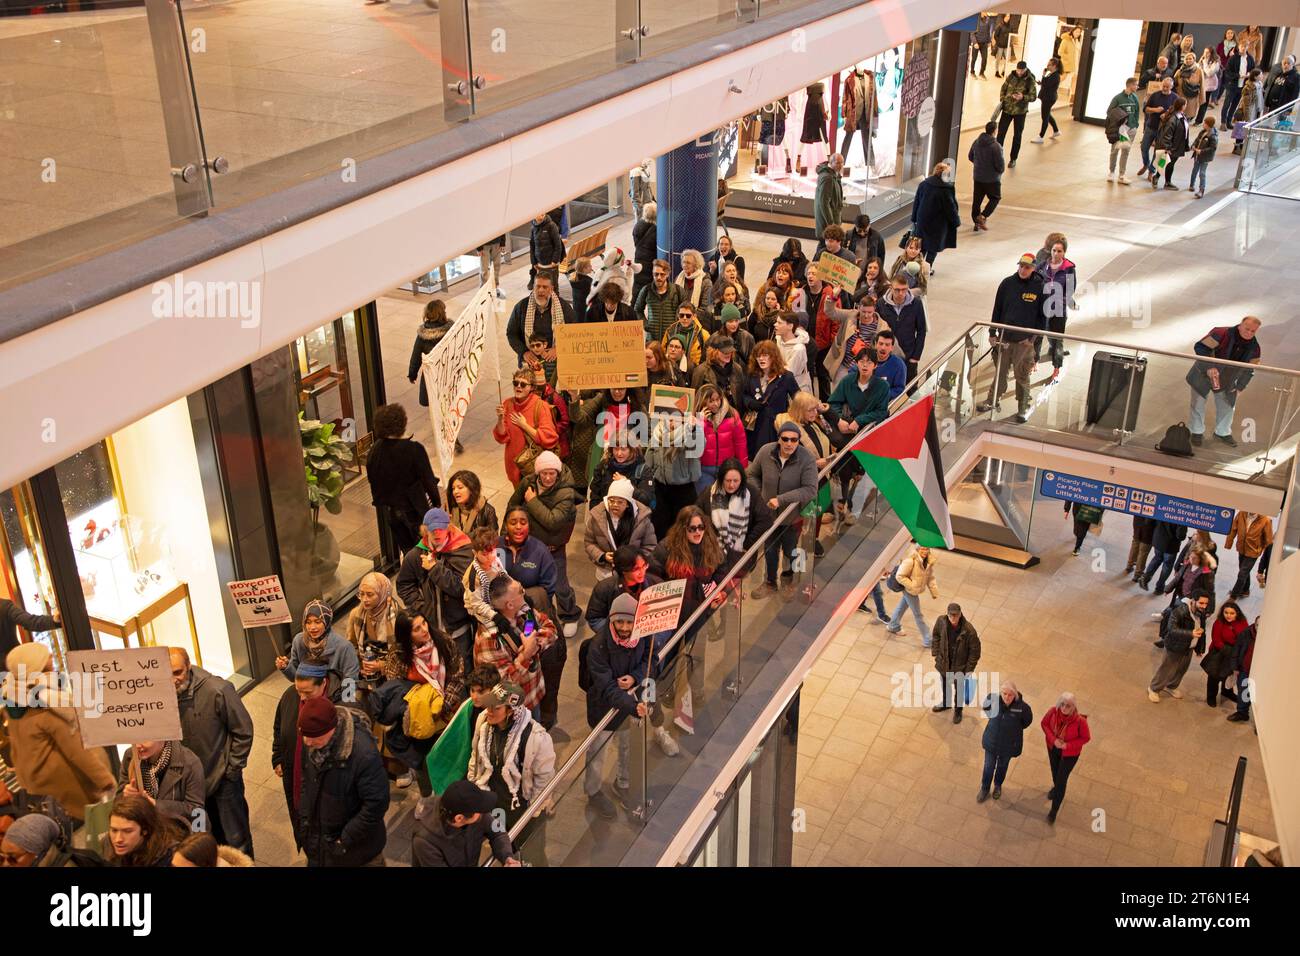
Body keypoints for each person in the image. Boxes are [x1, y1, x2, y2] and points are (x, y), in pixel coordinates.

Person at [1, 643, 114, 820]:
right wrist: (105, 780)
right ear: (36, 665)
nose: (52, 658)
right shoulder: (48, 703)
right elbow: (76, 749)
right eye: (47, 657)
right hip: (66, 783)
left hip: (35, 781)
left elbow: (17, 746)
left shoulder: (14, 696)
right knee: (91, 826)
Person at [582, 593, 669, 818]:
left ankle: (623, 783)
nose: (624, 627)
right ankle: (593, 792)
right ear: (611, 620)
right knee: (597, 750)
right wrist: (633, 705)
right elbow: (606, 687)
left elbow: (652, 662)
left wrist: (635, 677)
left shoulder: (645, 636)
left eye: (629, 622)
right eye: (619, 621)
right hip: (604, 707)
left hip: (631, 702)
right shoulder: (598, 646)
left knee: (627, 744)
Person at [366, 609, 465, 799]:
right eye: (416, 629)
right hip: (416, 720)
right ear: (406, 635)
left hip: (447, 714)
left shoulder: (443, 642)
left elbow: (457, 676)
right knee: (423, 763)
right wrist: (421, 706)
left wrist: (442, 706)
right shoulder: (398, 654)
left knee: (451, 758)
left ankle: (452, 798)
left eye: (424, 623)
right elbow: (396, 689)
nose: (424, 630)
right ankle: (427, 798)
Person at [169, 646, 254, 857]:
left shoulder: (218, 690)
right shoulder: (163, 699)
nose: (173, 680)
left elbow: (243, 731)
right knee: (204, 841)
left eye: (177, 672)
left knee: (236, 840)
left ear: (188, 666)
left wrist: (231, 770)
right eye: (166, 674)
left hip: (223, 781)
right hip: (191, 789)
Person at [466, 680, 556, 862]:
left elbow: (544, 778)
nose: (489, 710)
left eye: (496, 708)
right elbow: (476, 757)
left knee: (532, 852)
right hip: (496, 805)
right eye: (489, 704)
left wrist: (535, 811)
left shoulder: (536, 738)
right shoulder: (483, 722)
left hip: (523, 809)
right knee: (504, 848)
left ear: (511, 711)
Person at [294, 695, 389, 866]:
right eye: (304, 736)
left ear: (331, 729)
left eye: (312, 736)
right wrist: (304, 819)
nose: (307, 742)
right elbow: (306, 782)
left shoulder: (363, 755)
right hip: (320, 842)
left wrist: (344, 839)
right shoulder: (315, 744)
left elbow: (376, 804)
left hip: (356, 851)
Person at [505, 451, 583, 636]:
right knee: (530, 590)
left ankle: (570, 615)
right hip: (529, 546)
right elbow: (512, 507)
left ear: (558, 472)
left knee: (560, 585)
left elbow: (553, 521)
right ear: (538, 472)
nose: (548, 477)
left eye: (552, 473)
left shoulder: (566, 493)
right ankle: (531, 622)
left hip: (552, 549)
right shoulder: (528, 483)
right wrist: (506, 536)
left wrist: (532, 501)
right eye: (544, 473)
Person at [395, 507, 475, 665]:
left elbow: (461, 588)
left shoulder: (463, 550)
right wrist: (421, 607)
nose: (437, 533)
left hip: (459, 628)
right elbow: (404, 584)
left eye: (441, 529)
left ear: (449, 527)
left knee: (462, 668)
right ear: (425, 530)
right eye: (433, 530)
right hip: (430, 630)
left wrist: (434, 568)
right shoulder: (416, 555)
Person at [748, 421, 817, 597]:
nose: (789, 443)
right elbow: (752, 475)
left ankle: (791, 581)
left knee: (792, 551)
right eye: (785, 439)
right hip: (769, 515)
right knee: (770, 550)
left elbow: (810, 489)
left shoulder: (806, 458)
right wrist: (760, 495)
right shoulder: (766, 452)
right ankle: (770, 582)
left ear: (798, 441)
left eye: (794, 440)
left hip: (794, 517)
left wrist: (781, 500)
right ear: (779, 439)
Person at [976, 253, 1047, 423]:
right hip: (1005, 339)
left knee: (1022, 375)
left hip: (1024, 342)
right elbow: (997, 310)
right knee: (1000, 371)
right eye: (1021, 266)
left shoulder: (1041, 287)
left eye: (1027, 267)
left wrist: (1033, 339)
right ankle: (992, 400)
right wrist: (993, 333)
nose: (1023, 270)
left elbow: (1042, 317)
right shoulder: (1007, 283)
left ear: (1034, 268)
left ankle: (1023, 407)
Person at [367, 402, 441, 558]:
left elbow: (372, 479)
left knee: (409, 554)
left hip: (391, 513)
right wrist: (436, 504)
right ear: (402, 423)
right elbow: (428, 481)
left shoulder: (375, 450)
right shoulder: (413, 450)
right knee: (426, 554)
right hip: (414, 512)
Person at [1186, 317, 1262, 448]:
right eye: (1247, 329)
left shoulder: (1255, 348)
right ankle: (1196, 431)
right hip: (1203, 374)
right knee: (1198, 403)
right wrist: (1210, 366)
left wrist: (1240, 387)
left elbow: (1250, 370)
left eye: (1253, 331)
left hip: (1227, 380)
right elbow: (1201, 347)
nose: (1249, 333)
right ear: (1240, 326)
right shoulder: (1220, 333)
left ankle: (1222, 432)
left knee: (1227, 407)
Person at [411, 778, 519, 866]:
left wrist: (507, 857)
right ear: (459, 818)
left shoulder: (473, 808)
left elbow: (497, 833)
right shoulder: (424, 842)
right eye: (479, 811)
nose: (484, 812)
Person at [697, 458, 773, 576]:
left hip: (740, 556)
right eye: (727, 480)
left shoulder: (751, 493)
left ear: (742, 479)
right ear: (721, 478)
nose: (731, 485)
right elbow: (696, 517)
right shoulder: (708, 493)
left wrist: (747, 543)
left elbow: (766, 520)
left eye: (735, 481)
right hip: (712, 556)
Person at [116, 739, 205, 829]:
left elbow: (197, 811)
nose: (138, 745)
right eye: (134, 738)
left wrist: (154, 804)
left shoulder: (189, 762)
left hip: (180, 832)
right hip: (146, 830)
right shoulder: (130, 755)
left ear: (162, 737)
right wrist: (126, 797)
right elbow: (117, 803)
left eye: (145, 738)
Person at [493, 369, 559, 488]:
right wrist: (500, 419)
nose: (518, 387)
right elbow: (502, 437)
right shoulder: (507, 404)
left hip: (533, 468)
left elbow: (549, 438)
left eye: (523, 384)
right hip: (514, 465)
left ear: (532, 387)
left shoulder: (540, 406)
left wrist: (524, 425)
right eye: (515, 383)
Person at [276, 599, 359, 685]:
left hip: (333, 695)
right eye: (308, 622)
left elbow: (351, 681)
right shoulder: (299, 641)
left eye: (317, 622)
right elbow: (296, 678)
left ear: (326, 622)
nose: (312, 627)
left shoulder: (344, 647)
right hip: (307, 693)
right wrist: (286, 667)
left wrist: (344, 698)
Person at [1148, 590, 1210, 702]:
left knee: (1181, 669)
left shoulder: (1202, 613)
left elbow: (1202, 631)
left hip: (1189, 647)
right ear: (1193, 601)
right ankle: (1154, 689)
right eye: (1201, 603)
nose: (1204, 606)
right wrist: (1190, 633)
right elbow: (1172, 629)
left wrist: (1199, 648)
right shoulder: (1180, 611)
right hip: (1174, 646)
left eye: (1206, 603)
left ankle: (1171, 686)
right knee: (1167, 669)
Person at [743, 340, 800, 459]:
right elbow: (744, 395)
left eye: (765, 355)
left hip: (775, 425)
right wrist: (750, 403)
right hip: (755, 425)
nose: (761, 359)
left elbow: (798, 398)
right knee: (756, 458)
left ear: (774, 357)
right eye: (758, 356)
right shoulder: (752, 375)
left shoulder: (786, 376)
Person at [346, 570, 404, 687]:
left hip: (394, 674)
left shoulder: (399, 618)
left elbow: (406, 654)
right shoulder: (357, 614)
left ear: (383, 594)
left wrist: (383, 665)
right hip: (366, 672)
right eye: (361, 594)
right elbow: (352, 644)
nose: (364, 599)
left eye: (370, 594)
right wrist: (360, 666)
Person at [977, 681, 1032, 803]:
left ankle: (997, 786)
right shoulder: (993, 699)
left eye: (1010, 695)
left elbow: (1027, 722)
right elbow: (986, 707)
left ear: (1015, 695)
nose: (1007, 697)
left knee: (1002, 766)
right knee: (988, 767)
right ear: (1001, 693)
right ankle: (985, 788)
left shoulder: (1023, 708)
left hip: (1008, 745)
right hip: (992, 742)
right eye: (1004, 694)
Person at [1041, 692, 1091, 823]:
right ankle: (1056, 787)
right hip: (1053, 748)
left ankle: (1054, 811)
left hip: (1070, 754)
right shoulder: (1053, 712)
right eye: (1062, 704)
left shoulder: (1080, 721)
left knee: (1061, 780)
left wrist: (1068, 746)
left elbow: (1086, 738)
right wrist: (1053, 740)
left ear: (1073, 707)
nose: (1064, 708)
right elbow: (1044, 724)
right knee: (1055, 773)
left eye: (1068, 706)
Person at [827, 344, 889, 446]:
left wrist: (859, 420)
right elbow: (833, 403)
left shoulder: (883, 386)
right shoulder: (847, 380)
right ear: (856, 363)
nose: (865, 365)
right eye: (861, 362)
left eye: (869, 362)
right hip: (848, 427)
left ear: (875, 365)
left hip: (870, 429)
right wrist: (839, 420)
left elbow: (881, 412)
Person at [507, 272, 571, 368]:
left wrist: (559, 348)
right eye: (538, 286)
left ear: (551, 289)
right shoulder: (521, 307)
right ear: (533, 287)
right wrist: (524, 352)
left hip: (555, 361)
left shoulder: (563, 306)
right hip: (529, 361)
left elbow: (573, 331)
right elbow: (511, 333)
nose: (541, 290)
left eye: (545, 287)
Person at [695, 382, 748, 492]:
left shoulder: (732, 415)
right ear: (702, 401)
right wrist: (701, 422)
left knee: (724, 502)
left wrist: (742, 467)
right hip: (704, 468)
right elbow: (694, 445)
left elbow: (740, 442)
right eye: (711, 401)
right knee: (705, 500)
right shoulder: (695, 417)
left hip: (727, 467)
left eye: (718, 399)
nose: (715, 404)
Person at [931, 603, 979, 723]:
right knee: (945, 684)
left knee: (960, 690)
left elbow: (975, 651)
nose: (953, 618)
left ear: (960, 614)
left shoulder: (969, 630)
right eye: (950, 615)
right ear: (947, 614)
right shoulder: (941, 621)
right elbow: (936, 635)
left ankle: (958, 711)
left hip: (960, 667)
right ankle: (946, 703)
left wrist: (969, 669)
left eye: (955, 615)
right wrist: (936, 653)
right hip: (944, 663)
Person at [1037, 237, 1076, 380]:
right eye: (1054, 250)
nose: (1056, 253)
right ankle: (1034, 361)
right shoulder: (1042, 264)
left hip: (1058, 309)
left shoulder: (1069, 268)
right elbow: (1036, 282)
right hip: (1042, 306)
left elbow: (1070, 289)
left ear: (1064, 252)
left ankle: (1056, 368)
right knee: (1038, 335)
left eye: (1059, 251)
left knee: (1058, 339)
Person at [105, 796, 184, 867]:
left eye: (127, 831)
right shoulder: (108, 845)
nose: (118, 839)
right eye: (114, 830)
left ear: (145, 830)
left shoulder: (172, 857)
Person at [877, 275, 927, 384]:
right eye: (897, 290)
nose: (901, 293)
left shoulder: (916, 304)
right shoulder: (881, 304)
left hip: (909, 355)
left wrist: (916, 357)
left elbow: (921, 330)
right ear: (891, 288)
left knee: (910, 387)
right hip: (887, 354)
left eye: (904, 290)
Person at [910, 162, 959, 272]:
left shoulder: (924, 184)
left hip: (923, 221)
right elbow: (950, 207)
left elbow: (916, 202)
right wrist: (956, 221)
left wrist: (914, 219)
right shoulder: (946, 188)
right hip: (938, 224)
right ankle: (927, 267)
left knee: (921, 246)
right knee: (933, 247)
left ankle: (917, 268)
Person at [884, 542, 938, 638]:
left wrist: (934, 591)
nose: (925, 551)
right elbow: (900, 576)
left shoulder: (928, 561)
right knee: (918, 615)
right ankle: (928, 639)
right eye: (922, 548)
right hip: (909, 590)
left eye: (927, 549)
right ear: (917, 549)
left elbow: (930, 577)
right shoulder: (910, 561)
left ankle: (893, 625)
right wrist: (912, 586)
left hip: (914, 590)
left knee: (902, 606)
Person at [1203, 601, 1249, 708]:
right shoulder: (1219, 622)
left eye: (1232, 613)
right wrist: (1231, 652)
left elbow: (1244, 638)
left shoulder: (1242, 622)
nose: (1228, 615)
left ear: (1237, 613)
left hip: (1234, 653)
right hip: (1220, 653)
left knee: (1229, 674)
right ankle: (1211, 696)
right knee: (1214, 676)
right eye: (1226, 612)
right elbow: (1216, 640)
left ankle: (1227, 692)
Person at [408, 299, 450, 409]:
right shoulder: (451, 330)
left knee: (433, 398)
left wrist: (412, 374)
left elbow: (416, 356)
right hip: (448, 370)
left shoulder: (423, 335)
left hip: (431, 373)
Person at [997, 61, 1037, 167]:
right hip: (1007, 110)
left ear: (1025, 69)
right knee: (1000, 134)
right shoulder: (1011, 76)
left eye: (1021, 70)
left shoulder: (1030, 80)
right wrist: (1003, 100)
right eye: (1018, 70)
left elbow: (1033, 97)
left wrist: (1023, 97)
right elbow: (1003, 89)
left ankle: (1013, 159)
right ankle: (997, 157)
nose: (1019, 72)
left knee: (1017, 136)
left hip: (1020, 112)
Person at [1225, 511, 1272, 600]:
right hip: (1241, 548)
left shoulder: (1265, 520)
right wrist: (1228, 543)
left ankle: (1233, 597)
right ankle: (1246, 590)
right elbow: (1233, 529)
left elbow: (1268, 540)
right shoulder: (1241, 514)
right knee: (1244, 570)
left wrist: (1260, 549)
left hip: (1253, 552)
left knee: (1242, 574)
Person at [691, 337, 747, 412]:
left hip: (732, 416)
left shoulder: (737, 369)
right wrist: (699, 420)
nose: (728, 354)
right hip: (709, 416)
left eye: (730, 352)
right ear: (714, 352)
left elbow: (741, 395)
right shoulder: (701, 371)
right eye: (724, 352)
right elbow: (695, 398)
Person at [636, 259, 685, 344]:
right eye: (656, 274)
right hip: (652, 340)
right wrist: (645, 324)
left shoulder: (678, 291)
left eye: (662, 274)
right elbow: (637, 309)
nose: (658, 277)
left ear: (667, 274)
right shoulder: (646, 290)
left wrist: (679, 327)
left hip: (672, 339)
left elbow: (686, 311)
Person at [968, 121, 1005, 232]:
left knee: (977, 201)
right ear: (994, 131)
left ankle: (976, 222)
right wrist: (999, 172)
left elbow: (970, 156)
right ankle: (983, 216)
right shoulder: (996, 146)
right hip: (992, 179)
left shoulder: (976, 142)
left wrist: (979, 165)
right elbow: (1000, 165)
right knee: (995, 198)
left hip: (978, 177)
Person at [0, 597, 61, 662]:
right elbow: (31, 622)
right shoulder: (3, 605)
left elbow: (30, 621)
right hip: (15, 663)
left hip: (15, 663)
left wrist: (54, 620)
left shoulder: (4, 606)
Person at [1138, 76, 1176, 179]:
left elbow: (1176, 114)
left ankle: (1151, 170)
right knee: (1144, 148)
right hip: (1151, 126)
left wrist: (1166, 115)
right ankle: (1146, 164)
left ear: (1171, 87)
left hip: (1163, 130)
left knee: (1157, 152)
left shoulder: (1174, 98)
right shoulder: (1155, 95)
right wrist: (1155, 110)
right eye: (1163, 86)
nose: (1164, 88)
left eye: (1167, 87)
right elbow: (1145, 109)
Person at [1106, 76, 1140, 183]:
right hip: (1120, 129)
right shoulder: (1118, 98)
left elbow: (1137, 112)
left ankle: (1122, 175)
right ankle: (1111, 172)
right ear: (1130, 85)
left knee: (1126, 151)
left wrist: (1135, 124)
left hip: (1131, 129)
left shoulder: (1135, 98)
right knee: (1115, 150)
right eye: (1135, 84)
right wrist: (1120, 119)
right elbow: (1109, 111)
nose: (1137, 86)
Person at [1152, 95, 1190, 190]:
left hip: (1177, 145)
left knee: (1165, 162)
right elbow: (1167, 134)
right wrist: (1167, 148)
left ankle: (1157, 177)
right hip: (1172, 147)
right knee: (1168, 163)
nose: (1186, 106)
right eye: (1185, 104)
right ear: (1182, 106)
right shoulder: (1173, 119)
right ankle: (1165, 181)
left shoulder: (1180, 115)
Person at [446, 469, 499, 538]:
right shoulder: (452, 507)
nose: (455, 491)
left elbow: (493, 538)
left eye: (460, 487)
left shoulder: (488, 510)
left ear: (471, 489)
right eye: (453, 488)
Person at [1138, 520, 1187, 592]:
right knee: (1167, 566)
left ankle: (1145, 578)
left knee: (1157, 558)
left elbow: (1150, 521)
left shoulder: (1163, 508)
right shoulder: (1181, 515)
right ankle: (1159, 587)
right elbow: (1180, 535)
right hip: (1170, 545)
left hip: (1158, 539)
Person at [771, 310, 812, 395]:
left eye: (779, 323)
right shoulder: (778, 340)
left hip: (798, 391)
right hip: (783, 389)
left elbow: (788, 374)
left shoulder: (798, 349)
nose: (775, 324)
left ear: (790, 326)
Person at [662, 302, 710, 371]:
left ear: (694, 316)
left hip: (693, 371)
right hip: (671, 369)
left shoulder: (703, 334)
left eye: (688, 315)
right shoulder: (670, 331)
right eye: (681, 315)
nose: (684, 318)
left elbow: (708, 357)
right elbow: (663, 351)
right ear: (678, 316)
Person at [1227, 615, 1258, 723]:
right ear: (1255, 624)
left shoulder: (1269, 638)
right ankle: (1242, 713)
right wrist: (1235, 667)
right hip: (1245, 669)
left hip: (1259, 673)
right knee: (1243, 692)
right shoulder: (1245, 634)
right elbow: (1236, 651)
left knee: (1255, 695)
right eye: (1258, 625)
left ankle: (1259, 723)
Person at [1221, 44, 1257, 131]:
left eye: (1245, 46)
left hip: (1243, 86)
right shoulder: (1233, 58)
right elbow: (1228, 71)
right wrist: (1239, 75)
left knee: (1235, 105)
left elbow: (1253, 69)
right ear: (1239, 47)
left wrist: (1249, 74)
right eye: (1242, 46)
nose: (1243, 48)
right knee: (1227, 104)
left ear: (1247, 47)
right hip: (1232, 84)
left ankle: (1229, 121)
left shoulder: (1250, 58)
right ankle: (1223, 122)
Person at [1231, 68, 1265, 154]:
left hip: (1255, 111)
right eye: (1260, 74)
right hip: (1247, 112)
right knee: (1242, 129)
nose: (1262, 76)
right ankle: (1238, 148)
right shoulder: (1249, 88)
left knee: (1247, 130)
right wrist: (1247, 117)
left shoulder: (1259, 85)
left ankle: (1243, 147)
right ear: (1255, 76)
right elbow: (1247, 104)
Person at [527, 211, 564, 290]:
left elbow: (558, 245)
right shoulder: (533, 228)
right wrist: (534, 262)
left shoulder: (551, 226)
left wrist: (554, 261)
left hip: (551, 264)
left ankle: (555, 302)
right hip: (540, 265)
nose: (541, 213)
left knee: (553, 287)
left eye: (542, 211)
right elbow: (532, 246)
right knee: (542, 286)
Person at [675, 249, 714, 319]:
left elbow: (705, 309)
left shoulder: (706, 283)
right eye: (683, 262)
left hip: (698, 320)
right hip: (680, 318)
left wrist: (688, 317)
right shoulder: (679, 278)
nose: (684, 265)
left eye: (688, 263)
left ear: (696, 265)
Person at [814, 153, 845, 238]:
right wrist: (832, 226)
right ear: (831, 163)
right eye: (838, 163)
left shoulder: (834, 175)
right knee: (825, 246)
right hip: (828, 226)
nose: (841, 165)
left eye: (842, 162)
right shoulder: (828, 178)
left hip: (832, 223)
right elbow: (824, 203)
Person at [1031, 58, 1061, 143]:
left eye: (1049, 65)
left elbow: (1047, 85)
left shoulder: (1055, 76)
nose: (1047, 66)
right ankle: (1056, 131)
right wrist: (1041, 82)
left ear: (1054, 66)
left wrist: (1043, 76)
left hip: (1049, 98)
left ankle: (1041, 136)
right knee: (1047, 115)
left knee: (1045, 117)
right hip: (1047, 97)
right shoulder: (1052, 74)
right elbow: (1046, 84)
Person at [632, 203, 657, 301]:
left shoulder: (638, 225)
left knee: (637, 287)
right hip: (650, 263)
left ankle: (633, 311)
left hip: (638, 258)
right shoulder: (657, 230)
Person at [1174, 52, 1205, 126]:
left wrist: (1202, 98)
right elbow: (1174, 82)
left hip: (1192, 97)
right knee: (1179, 114)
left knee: (1188, 116)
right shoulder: (1180, 71)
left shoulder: (1199, 71)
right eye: (1186, 59)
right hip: (1180, 95)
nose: (1188, 60)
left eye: (1190, 59)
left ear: (1194, 60)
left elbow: (1202, 86)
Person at [478, 234, 507, 300]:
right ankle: (483, 291)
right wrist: (479, 248)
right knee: (484, 269)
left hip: (497, 242)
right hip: (484, 244)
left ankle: (495, 288)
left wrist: (502, 243)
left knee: (496, 267)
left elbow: (502, 226)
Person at [1197, 47, 1221, 125]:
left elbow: (1209, 73)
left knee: (1204, 102)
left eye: (1208, 52)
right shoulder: (1202, 59)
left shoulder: (1215, 62)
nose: (1206, 54)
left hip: (1209, 85)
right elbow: (1198, 68)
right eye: (1205, 52)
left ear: (1211, 53)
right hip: (1200, 83)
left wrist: (1204, 63)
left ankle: (1199, 120)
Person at [971, 12, 992, 77]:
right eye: (985, 11)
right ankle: (972, 72)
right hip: (977, 43)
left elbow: (988, 32)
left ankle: (982, 73)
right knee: (974, 58)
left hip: (984, 43)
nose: (987, 12)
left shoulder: (988, 20)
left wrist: (989, 41)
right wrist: (975, 42)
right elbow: (972, 33)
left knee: (985, 59)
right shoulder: (976, 20)